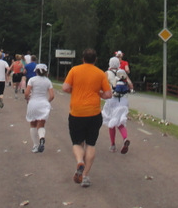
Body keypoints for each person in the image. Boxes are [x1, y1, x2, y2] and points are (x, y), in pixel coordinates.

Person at [61, 48, 112, 188]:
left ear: (83, 59)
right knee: (91, 144)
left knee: (77, 143)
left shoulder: (74, 70)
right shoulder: (100, 73)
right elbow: (108, 94)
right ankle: (85, 176)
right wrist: (99, 94)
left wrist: (75, 91)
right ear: (95, 60)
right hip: (94, 113)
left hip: (77, 113)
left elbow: (65, 87)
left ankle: (79, 161)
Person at [103, 56, 133, 153]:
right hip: (123, 100)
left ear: (110, 63)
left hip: (112, 99)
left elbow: (101, 85)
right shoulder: (122, 72)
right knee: (120, 122)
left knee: (111, 122)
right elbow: (130, 84)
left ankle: (113, 145)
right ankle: (125, 138)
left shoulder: (107, 73)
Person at [25, 63, 55, 152]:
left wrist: (27, 98)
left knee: (33, 123)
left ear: (36, 71)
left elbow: (27, 93)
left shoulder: (32, 80)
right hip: (43, 103)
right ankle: (41, 137)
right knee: (41, 124)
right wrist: (47, 102)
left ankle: (35, 145)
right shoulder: (48, 81)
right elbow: (52, 96)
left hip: (33, 103)